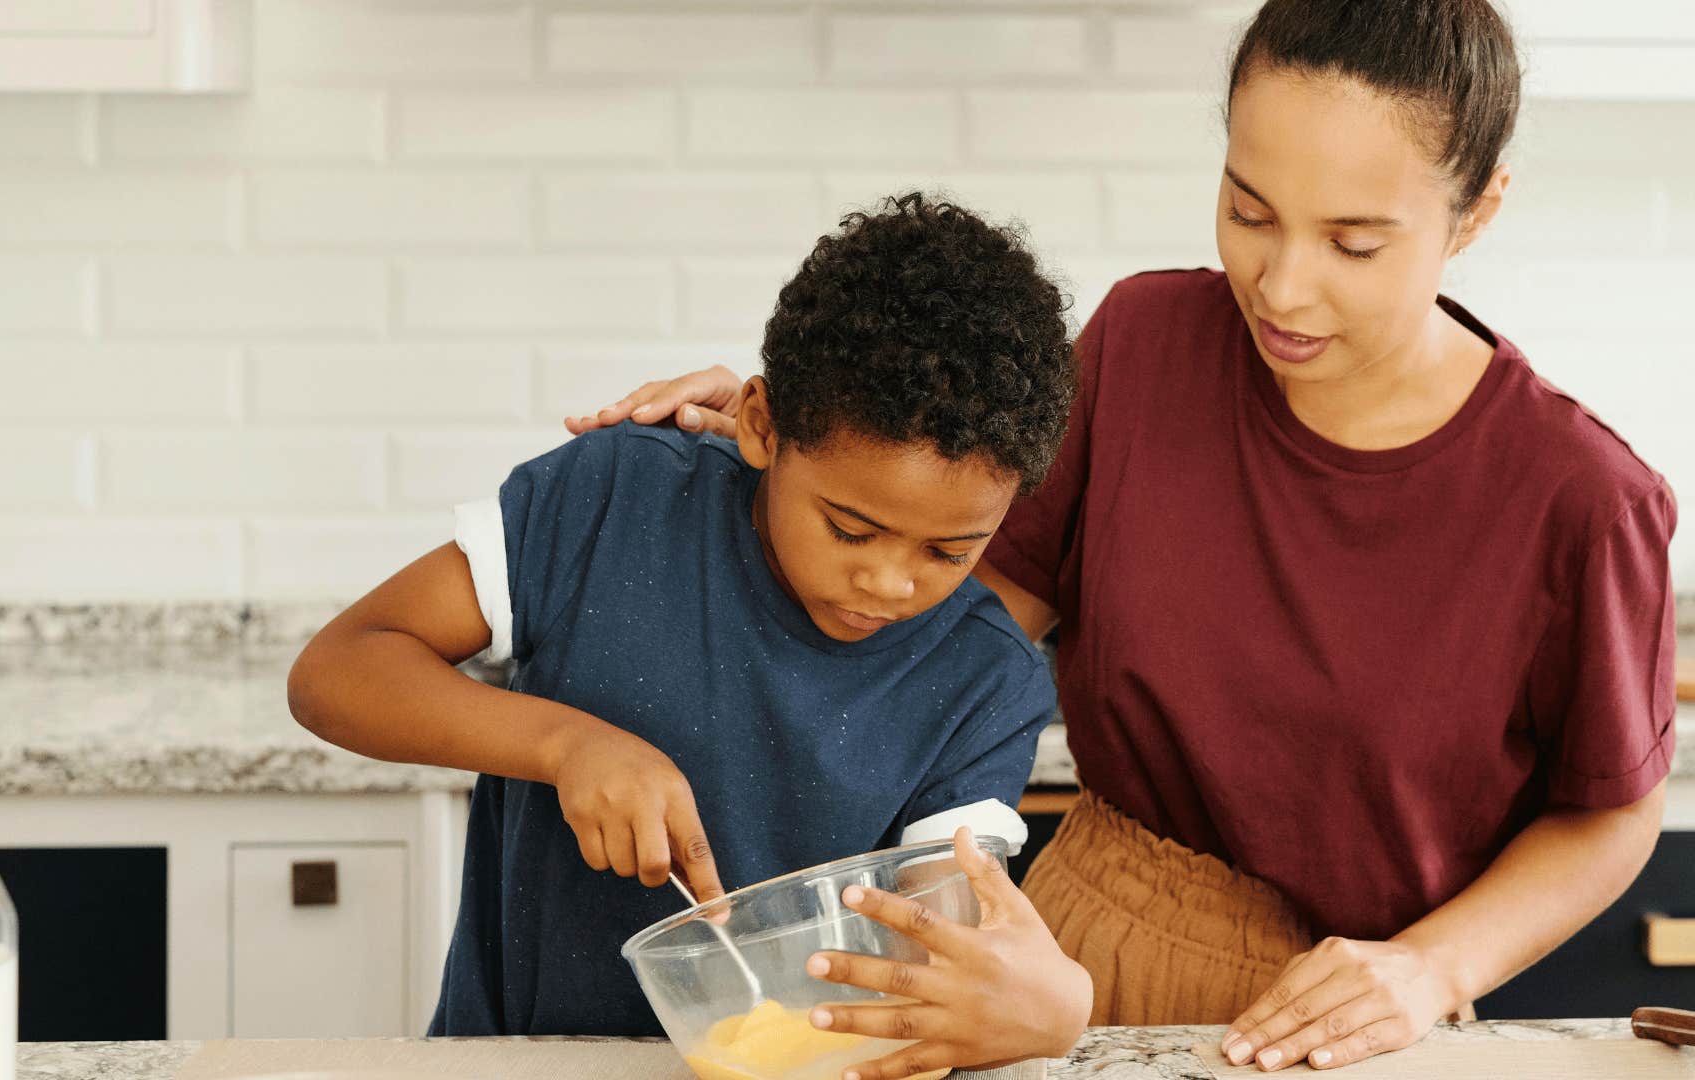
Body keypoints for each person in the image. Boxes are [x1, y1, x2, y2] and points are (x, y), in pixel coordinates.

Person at [567, 2, 1677, 1074]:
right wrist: (791, 453)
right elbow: (947, 623)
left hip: (1349, 1025)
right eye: (1248, 211)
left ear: (1476, 212)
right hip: (1069, 961)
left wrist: (1431, 969)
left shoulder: (1582, 499)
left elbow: (1610, 813)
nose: (1282, 286)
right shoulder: (1145, 349)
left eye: (1353, 242)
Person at [288, 193, 1093, 1049]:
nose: (889, 582)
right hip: (516, 1059)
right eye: (850, 528)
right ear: (760, 425)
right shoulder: (614, 500)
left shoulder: (984, 678)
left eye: (949, 552)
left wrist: (1028, 999)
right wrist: (566, 745)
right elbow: (335, 673)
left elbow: (946, 934)